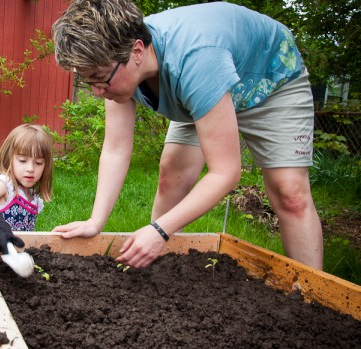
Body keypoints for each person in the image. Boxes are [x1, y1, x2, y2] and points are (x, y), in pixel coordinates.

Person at [51, 0, 323, 270]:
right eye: (89, 81)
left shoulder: (196, 59)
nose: (97, 91)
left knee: (290, 194)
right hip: (203, 89)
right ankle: (157, 267)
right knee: (172, 176)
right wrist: (95, 221)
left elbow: (225, 173)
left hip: (268, 80)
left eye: (99, 78)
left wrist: (159, 229)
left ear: (136, 51)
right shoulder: (115, 66)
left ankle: (313, 297)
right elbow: (116, 149)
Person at [0, 124, 54, 253]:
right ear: (10, 158)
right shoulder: (5, 185)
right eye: (23, 160)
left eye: (38, 163)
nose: (30, 168)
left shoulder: (34, 199)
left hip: (17, 256)